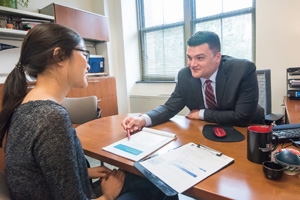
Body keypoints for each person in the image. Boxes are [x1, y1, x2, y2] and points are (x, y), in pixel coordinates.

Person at [0, 23, 172, 200]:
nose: (89, 66)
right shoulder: (51, 118)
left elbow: (40, 173)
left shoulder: (25, 107)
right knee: (163, 183)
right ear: (59, 56)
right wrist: (108, 196)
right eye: (84, 54)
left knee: (150, 175)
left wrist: (84, 171)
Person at [122, 31, 264, 132]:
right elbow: (169, 108)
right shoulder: (185, 75)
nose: (192, 64)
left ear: (217, 57)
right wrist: (142, 120)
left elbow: (242, 118)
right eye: (190, 57)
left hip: (247, 130)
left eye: (200, 58)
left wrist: (202, 114)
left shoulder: (243, 70)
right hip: (207, 130)